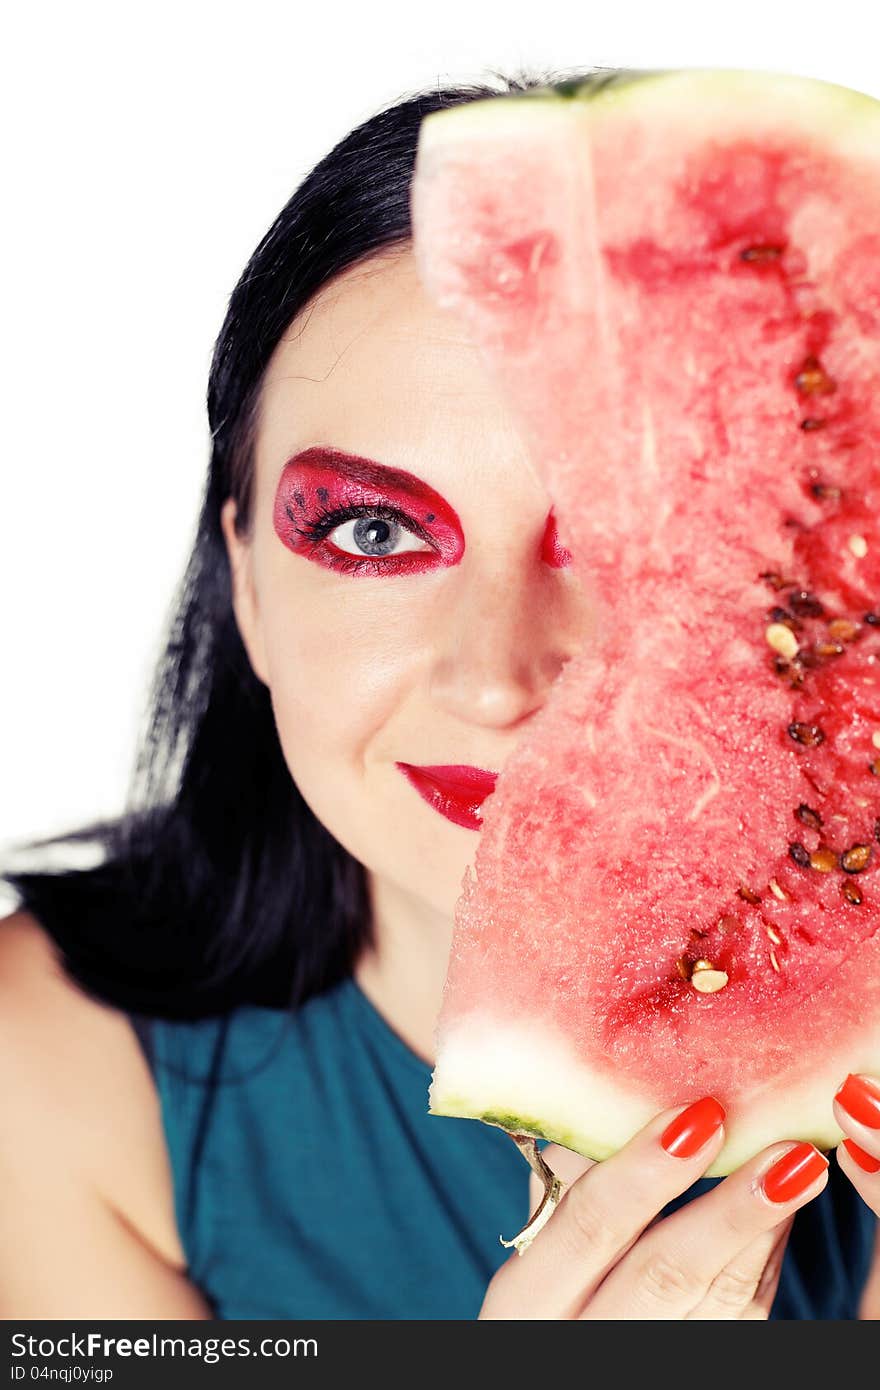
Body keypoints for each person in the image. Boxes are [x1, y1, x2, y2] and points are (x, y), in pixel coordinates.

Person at [1, 64, 878, 1321]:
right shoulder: (46, 1075)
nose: (492, 677)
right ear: (244, 578)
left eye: (634, 547)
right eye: (369, 534)